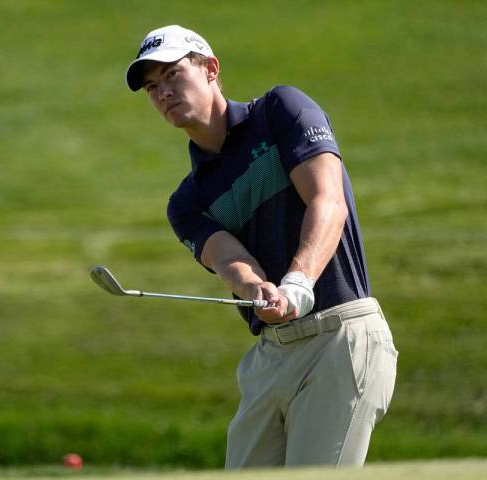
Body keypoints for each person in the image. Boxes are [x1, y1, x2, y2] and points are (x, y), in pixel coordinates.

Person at [124, 25, 398, 468]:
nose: (163, 93)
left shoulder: (280, 111)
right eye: (152, 87)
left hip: (338, 337)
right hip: (272, 356)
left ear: (211, 69)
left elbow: (327, 201)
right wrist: (259, 290)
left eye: (173, 75)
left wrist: (296, 284)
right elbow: (229, 259)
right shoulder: (187, 201)